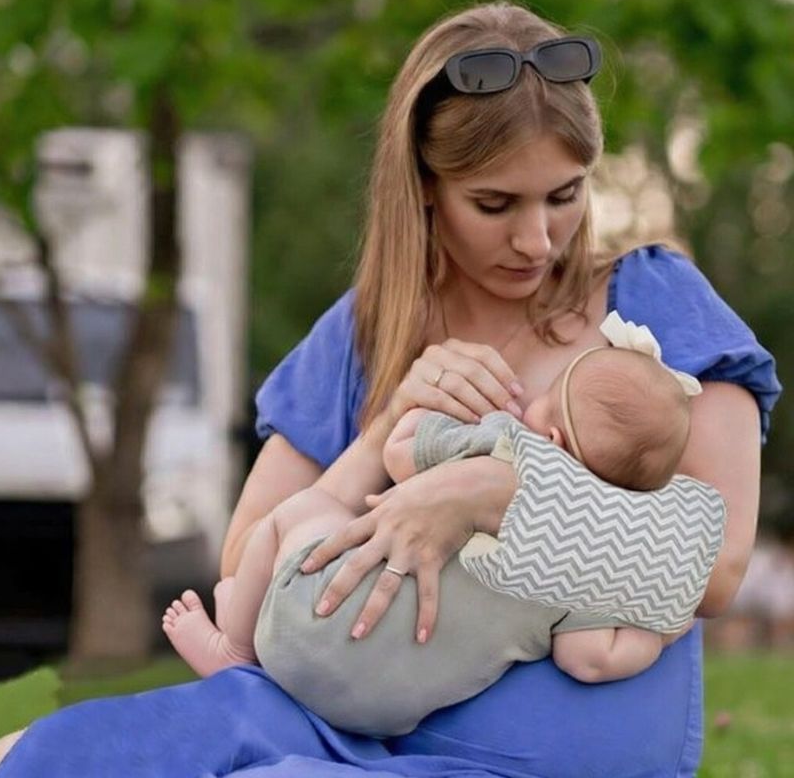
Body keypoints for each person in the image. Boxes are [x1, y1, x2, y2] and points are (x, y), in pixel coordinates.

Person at [0, 0, 781, 778]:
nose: (537, 239)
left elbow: (715, 569)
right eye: (495, 204)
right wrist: (387, 429)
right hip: (333, 729)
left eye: (565, 195)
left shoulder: (652, 302)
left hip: (544, 766)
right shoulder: (365, 333)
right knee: (61, 754)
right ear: (426, 186)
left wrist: (488, 492)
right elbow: (247, 560)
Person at [161, 311, 719, 739]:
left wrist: (442, 416)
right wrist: (652, 632)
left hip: (315, 621)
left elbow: (402, 453)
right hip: (390, 711)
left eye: (544, 403)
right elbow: (589, 661)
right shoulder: (593, 571)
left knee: (295, 514)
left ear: (553, 439)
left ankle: (234, 649)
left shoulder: (509, 444)